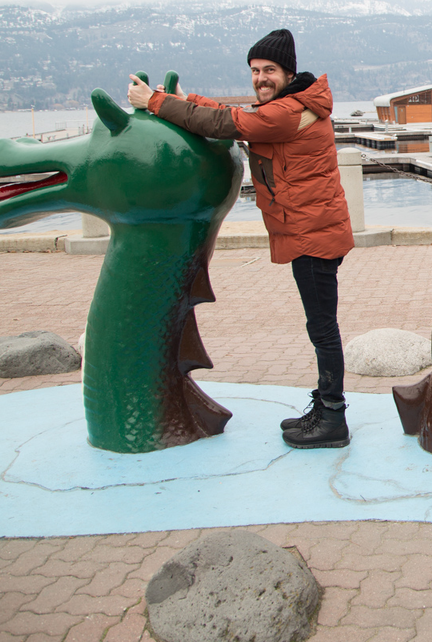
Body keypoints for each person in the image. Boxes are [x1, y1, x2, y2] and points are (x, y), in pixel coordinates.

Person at [127, 28, 355, 449]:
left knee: (322, 329)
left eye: (269, 70)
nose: (260, 78)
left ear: (288, 73)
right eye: (254, 70)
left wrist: (155, 103)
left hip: (312, 235)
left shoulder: (286, 114)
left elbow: (227, 123)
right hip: (312, 229)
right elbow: (234, 113)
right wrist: (187, 99)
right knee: (320, 325)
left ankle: (333, 418)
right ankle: (324, 407)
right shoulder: (291, 104)